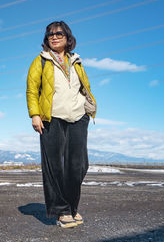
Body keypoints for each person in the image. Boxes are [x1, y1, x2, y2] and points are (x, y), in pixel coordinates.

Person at [26, 21, 97, 228]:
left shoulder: (76, 61)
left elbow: (85, 87)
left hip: (78, 116)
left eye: (58, 33)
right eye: (50, 34)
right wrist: (35, 114)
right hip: (51, 117)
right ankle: (62, 211)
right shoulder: (40, 61)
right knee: (54, 165)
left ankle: (72, 206)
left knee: (79, 165)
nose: (54, 37)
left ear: (68, 37)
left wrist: (87, 108)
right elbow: (32, 90)